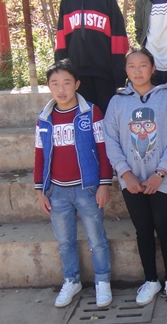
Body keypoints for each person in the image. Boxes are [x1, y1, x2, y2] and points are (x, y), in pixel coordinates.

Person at [103, 47, 167, 306]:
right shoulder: (117, 102)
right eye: (132, 66)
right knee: (143, 229)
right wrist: (125, 174)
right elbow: (111, 140)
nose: (137, 71)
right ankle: (151, 280)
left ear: (153, 68)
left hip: (162, 180)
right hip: (131, 181)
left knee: (165, 227)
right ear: (125, 70)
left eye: (143, 65)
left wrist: (161, 172)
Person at [34, 59, 113, 309]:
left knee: (97, 240)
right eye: (55, 83)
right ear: (48, 86)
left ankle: (103, 281)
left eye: (67, 83)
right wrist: (40, 190)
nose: (61, 89)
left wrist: (104, 184)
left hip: (87, 188)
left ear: (77, 84)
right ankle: (71, 280)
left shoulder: (91, 113)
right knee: (65, 241)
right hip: (56, 191)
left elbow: (103, 150)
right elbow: (39, 155)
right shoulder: (44, 119)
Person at [54, 0, 129, 114]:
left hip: (104, 71)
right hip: (77, 73)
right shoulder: (68, 0)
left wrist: (119, 73)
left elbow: (118, 35)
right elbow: (61, 39)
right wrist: (62, 70)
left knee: (106, 116)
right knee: (83, 117)